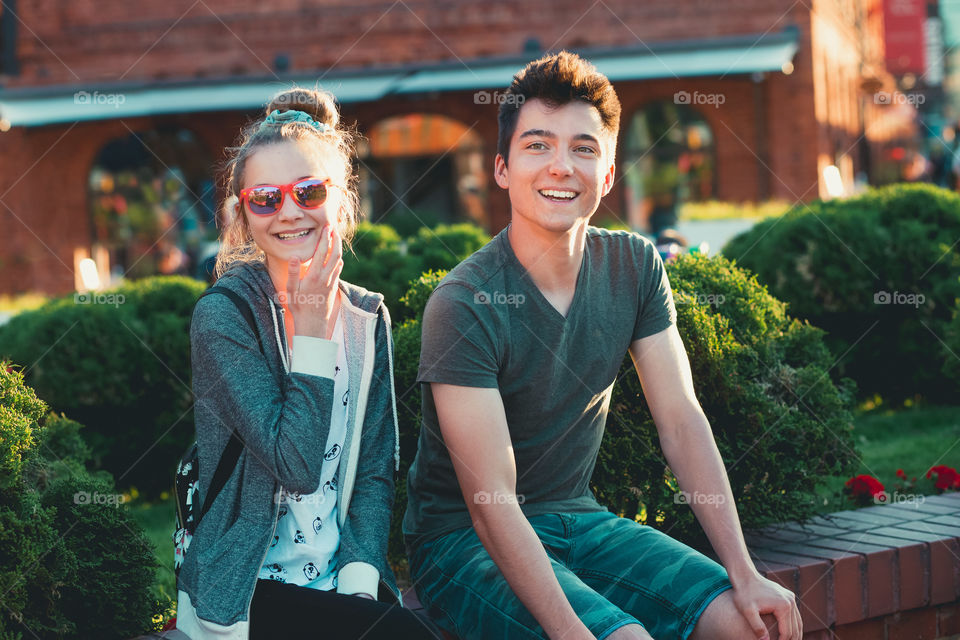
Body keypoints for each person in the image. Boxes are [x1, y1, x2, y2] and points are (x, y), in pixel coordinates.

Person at [403, 52, 803, 640]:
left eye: (584, 148)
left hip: (576, 518)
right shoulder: (464, 302)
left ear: (609, 173)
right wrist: (573, 633)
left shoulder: (636, 266)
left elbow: (681, 419)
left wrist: (744, 573)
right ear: (502, 169)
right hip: (459, 542)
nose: (561, 167)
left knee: (749, 626)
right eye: (537, 145)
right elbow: (492, 504)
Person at [176, 87, 437, 640]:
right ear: (245, 215)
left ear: (341, 200)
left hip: (343, 588)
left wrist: (359, 586)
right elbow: (295, 466)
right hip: (249, 588)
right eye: (266, 198)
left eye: (309, 191)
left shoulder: (367, 317)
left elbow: (373, 467)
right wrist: (313, 329)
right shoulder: (224, 318)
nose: (289, 212)